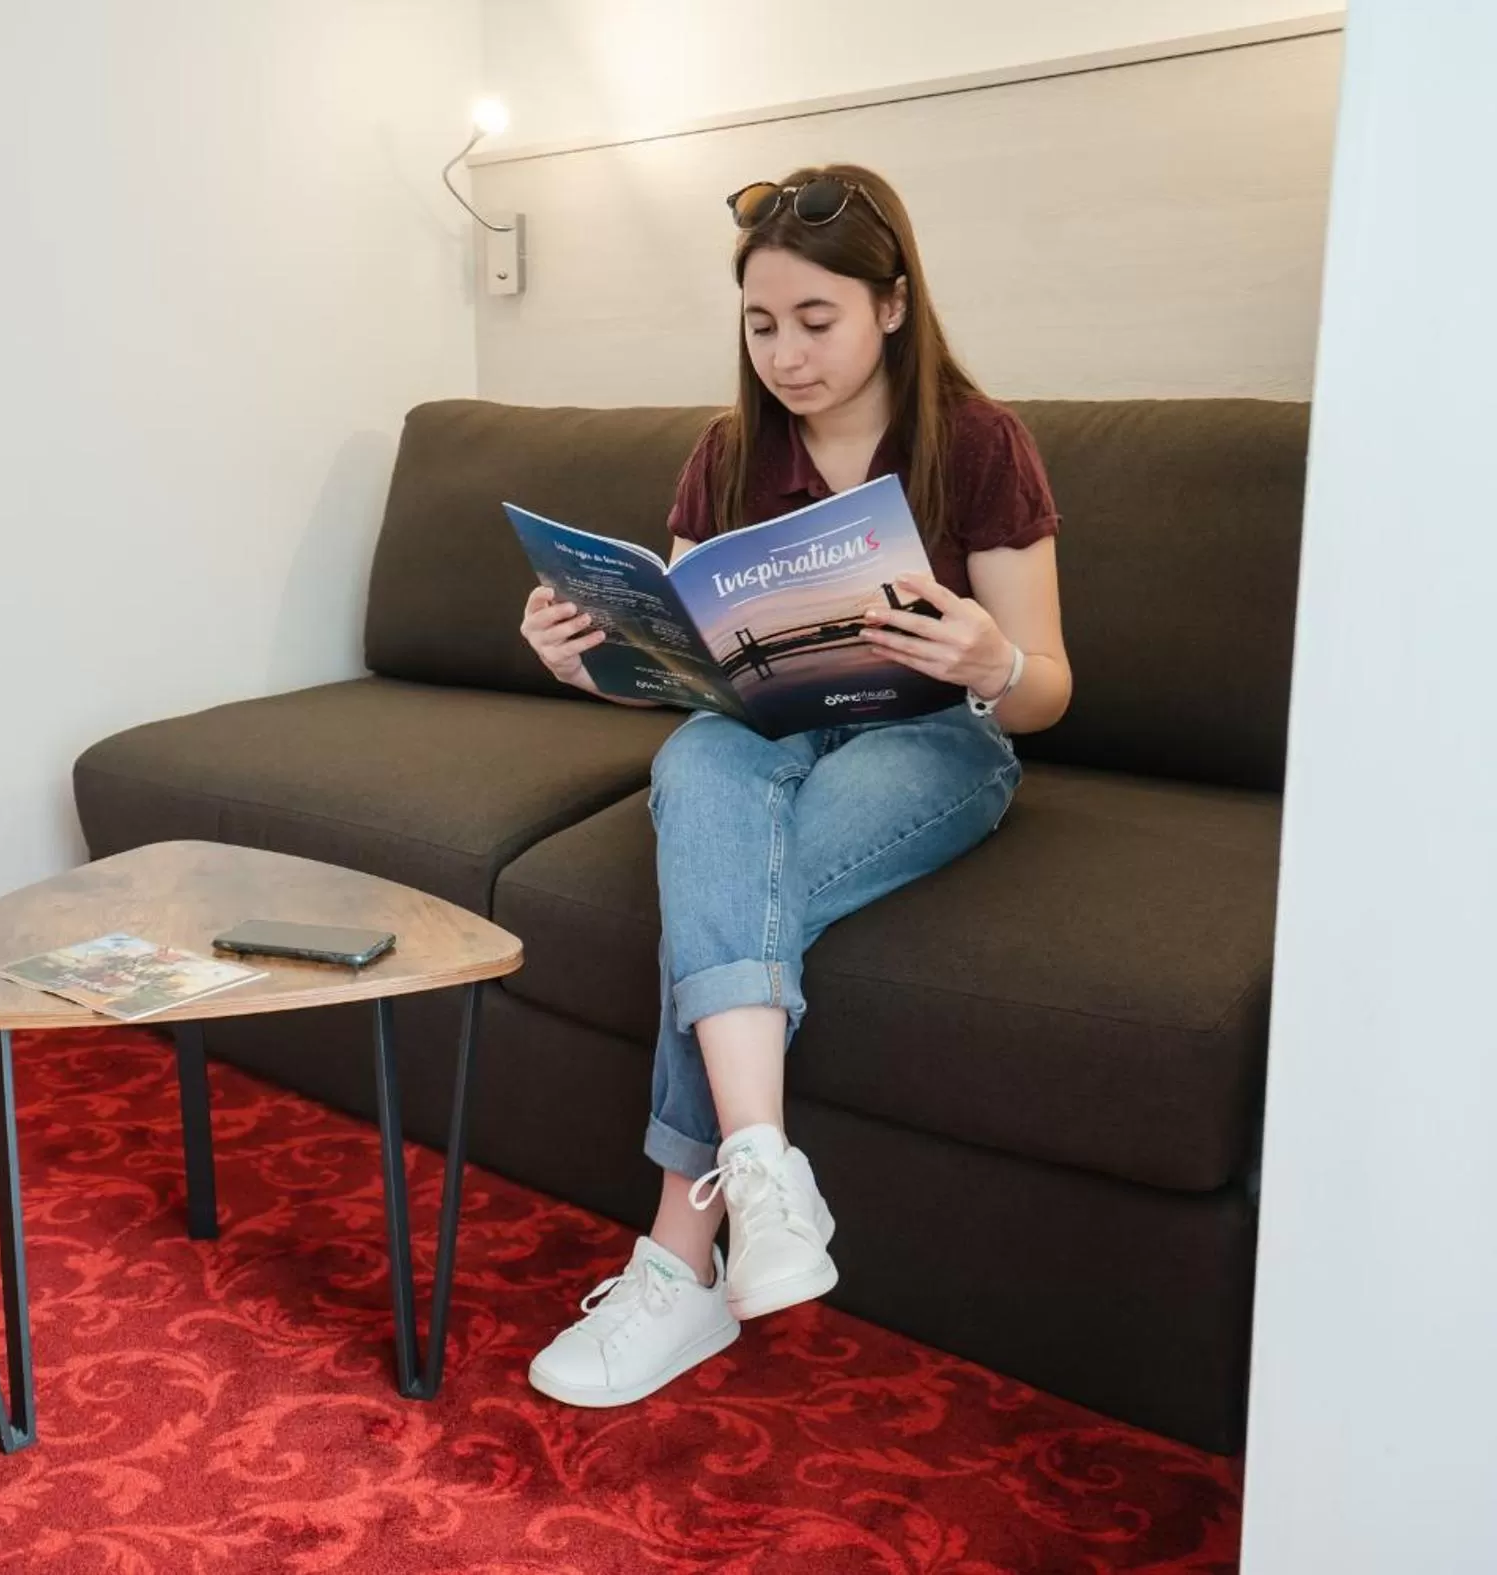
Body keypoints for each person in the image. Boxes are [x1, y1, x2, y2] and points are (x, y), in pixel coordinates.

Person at [517, 165, 1073, 1408]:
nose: (784, 354)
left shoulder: (980, 445)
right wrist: (591, 662)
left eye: (814, 320)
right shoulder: (726, 456)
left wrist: (994, 658)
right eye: (760, 325)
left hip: (937, 744)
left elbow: (1046, 691)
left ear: (890, 303)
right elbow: (686, 672)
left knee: (719, 885)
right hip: (764, 734)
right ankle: (763, 1166)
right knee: (697, 760)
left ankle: (677, 1256)